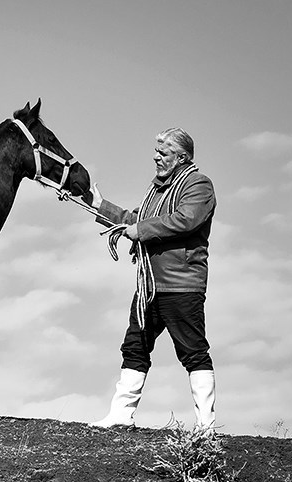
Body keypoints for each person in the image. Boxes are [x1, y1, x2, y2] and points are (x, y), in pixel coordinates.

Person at [86, 127, 217, 432]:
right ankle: (121, 414)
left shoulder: (199, 185)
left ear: (181, 157)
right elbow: (137, 222)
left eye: (164, 152)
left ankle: (205, 426)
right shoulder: (157, 189)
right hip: (149, 284)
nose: (156, 157)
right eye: (157, 151)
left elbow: (185, 219)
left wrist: (140, 231)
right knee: (134, 345)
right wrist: (99, 206)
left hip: (182, 284)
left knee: (193, 352)